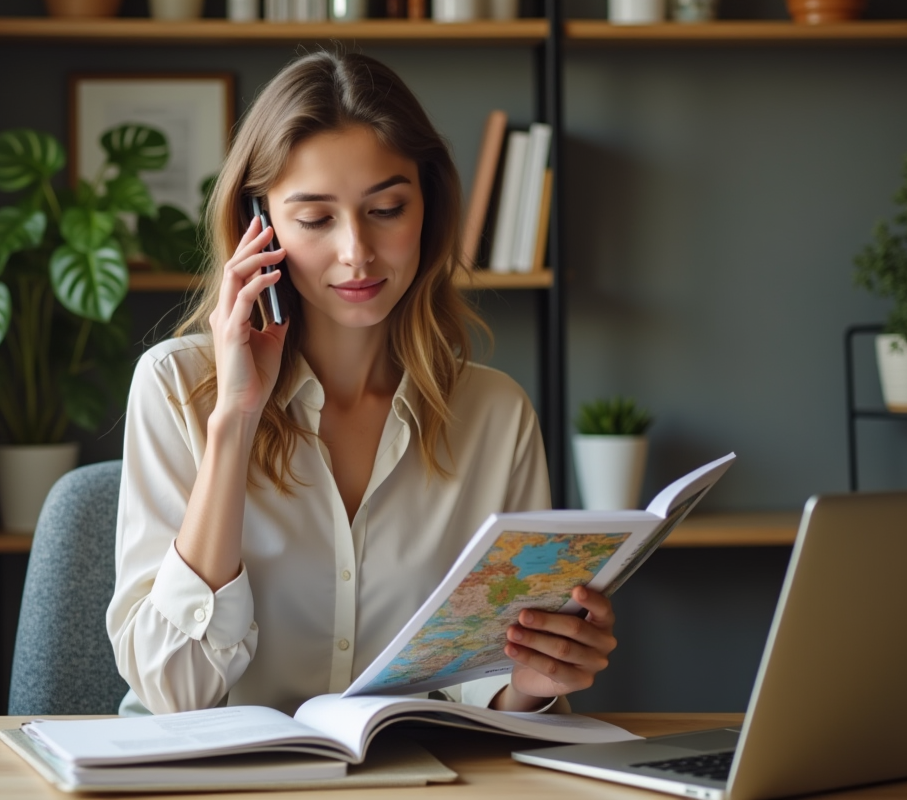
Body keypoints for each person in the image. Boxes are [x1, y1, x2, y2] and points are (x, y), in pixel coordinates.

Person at [106, 50, 617, 718]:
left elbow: (487, 674)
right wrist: (234, 419)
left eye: (386, 209)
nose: (356, 251)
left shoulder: (495, 413)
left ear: (426, 209)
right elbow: (175, 691)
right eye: (316, 219)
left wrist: (534, 678)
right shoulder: (176, 387)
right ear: (260, 229)